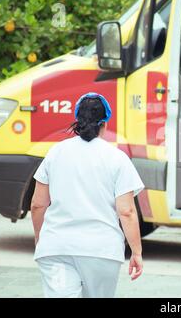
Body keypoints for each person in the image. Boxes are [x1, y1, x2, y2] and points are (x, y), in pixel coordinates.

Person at [30, 92, 145, 298]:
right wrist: (136, 252)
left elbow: (38, 204)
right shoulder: (117, 158)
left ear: (77, 119)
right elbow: (126, 211)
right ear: (105, 123)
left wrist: (41, 238)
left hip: (57, 247)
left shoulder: (55, 153)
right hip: (101, 251)